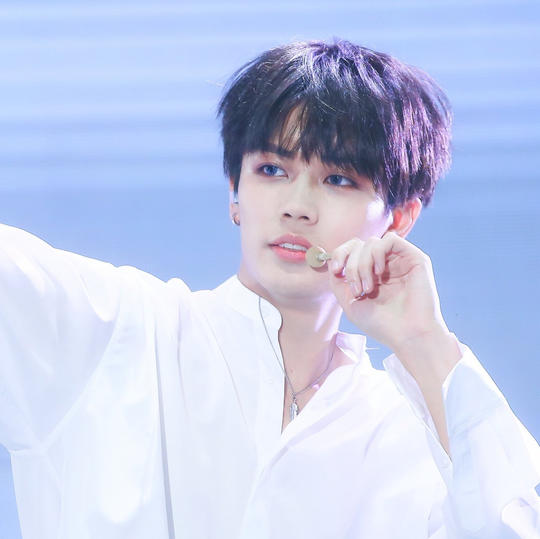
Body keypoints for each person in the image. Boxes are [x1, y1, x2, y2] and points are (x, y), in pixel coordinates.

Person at [0, 39, 539, 539]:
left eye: (338, 179)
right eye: (271, 169)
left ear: (399, 219)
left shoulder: (405, 433)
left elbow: (505, 523)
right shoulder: (113, 330)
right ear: (234, 191)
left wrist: (424, 341)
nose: (297, 207)